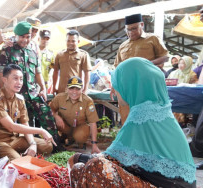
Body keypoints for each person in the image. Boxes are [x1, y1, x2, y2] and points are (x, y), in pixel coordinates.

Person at [69, 57, 196, 187]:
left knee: (96, 166)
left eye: (118, 85)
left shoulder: (143, 114)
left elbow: (108, 159)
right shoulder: (157, 111)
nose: (115, 90)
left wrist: (77, 157)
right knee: (79, 168)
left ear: (130, 86)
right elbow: (122, 159)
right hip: (159, 182)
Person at [0, 21, 63, 152]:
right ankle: (30, 148)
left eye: (27, 37)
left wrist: (43, 89)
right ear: (15, 35)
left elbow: (38, 73)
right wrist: (3, 93)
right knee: (25, 124)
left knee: (47, 115)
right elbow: (1, 74)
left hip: (33, 93)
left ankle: (56, 147)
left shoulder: (33, 50)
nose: (25, 40)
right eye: (22, 37)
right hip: (16, 95)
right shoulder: (6, 50)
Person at [0, 64, 54, 160]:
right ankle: (13, 155)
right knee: (18, 162)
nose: (19, 82)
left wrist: (32, 144)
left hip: (16, 139)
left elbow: (25, 124)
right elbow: (11, 126)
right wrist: (41, 130)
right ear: (4, 80)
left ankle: (20, 152)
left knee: (47, 146)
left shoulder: (20, 99)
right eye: (15, 78)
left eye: (21, 79)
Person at [112, 13, 168, 124]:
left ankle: (148, 139)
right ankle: (130, 139)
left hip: (147, 84)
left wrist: (144, 64)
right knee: (127, 116)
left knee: (148, 115)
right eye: (128, 30)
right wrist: (114, 85)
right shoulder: (123, 46)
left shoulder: (152, 39)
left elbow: (165, 57)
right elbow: (116, 67)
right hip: (126, 87)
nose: (130, 32)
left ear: (141, 25)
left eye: (134, 29)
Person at [50, 76, 100, 152]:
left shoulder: (87, 101)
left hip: (79, 127)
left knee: (80, 137)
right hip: (65, 126)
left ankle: (76, 140)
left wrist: (94, 144)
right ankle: (60, 138)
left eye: (77, 89)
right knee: (50, 119)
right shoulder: (59, 98)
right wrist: (56, 116)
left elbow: (93, 122)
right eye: (71, 88)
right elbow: (49, 110)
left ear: (82, 89)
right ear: (66, 88)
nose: (74, 92)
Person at [53, 30, 92, 94]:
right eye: (68, 41)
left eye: (73, 41)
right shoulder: (59, 54)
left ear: (78, 41)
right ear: (66, 41)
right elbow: (55, 71)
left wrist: (85, 89)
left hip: (76, 91)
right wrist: (54, 87)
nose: (70, 43)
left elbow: (87, 73)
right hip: (62, 90)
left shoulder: (83, 55)